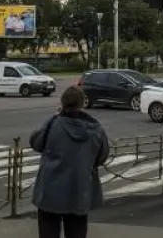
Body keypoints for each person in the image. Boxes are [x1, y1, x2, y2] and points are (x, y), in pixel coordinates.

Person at [30, 85, 110, 238]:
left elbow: (36, 142)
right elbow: (102, 156)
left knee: (48, 232)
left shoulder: (53, 124)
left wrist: (54, 116)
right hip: (80, 191)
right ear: (82, 103)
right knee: (77, 232)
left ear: (62, 103)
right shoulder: (96, 129)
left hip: (50, 192)